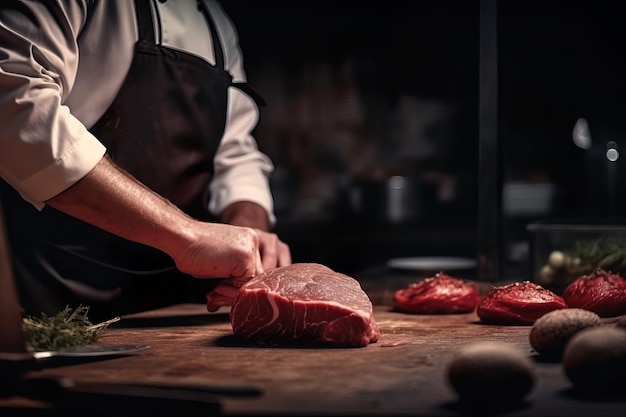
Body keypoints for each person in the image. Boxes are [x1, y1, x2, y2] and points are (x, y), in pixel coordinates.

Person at [0, 0, 291, 322]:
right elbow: (16, 106)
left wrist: (248, 241)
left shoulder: (218, 24)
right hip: (50, 283)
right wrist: (187, 237)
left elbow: (235, 153)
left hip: (169, 304)